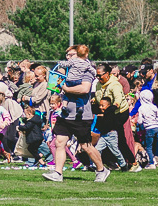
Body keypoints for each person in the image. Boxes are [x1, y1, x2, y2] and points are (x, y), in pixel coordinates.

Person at [43, 45, 109, 183]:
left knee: (85, 146)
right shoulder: (68, 70)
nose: (69, 58)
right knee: (60, 142)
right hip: (65, 113)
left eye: (72, 55)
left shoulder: (86, 70)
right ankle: (58, 173)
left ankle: (102, 170)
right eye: (67, 55)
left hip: (81, 114)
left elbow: (84, 88)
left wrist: (66, 88)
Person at [94, 96, 129, 171]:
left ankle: (123, 165)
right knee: (97, 149)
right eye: (100, 105)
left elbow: (111, 109)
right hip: (104, 136)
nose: (100, 107)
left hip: (111, 135)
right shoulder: (103, 114)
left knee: (115, 151)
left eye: (103, 105)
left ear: (108, 106)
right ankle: (95, 165)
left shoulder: (111, 112)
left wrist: (115, 105)